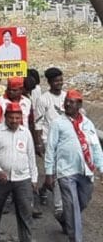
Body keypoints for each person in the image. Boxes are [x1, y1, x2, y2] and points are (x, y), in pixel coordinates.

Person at [44, 89, 103, 241]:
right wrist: (49, 173)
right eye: (66, 101)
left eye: (72, 102)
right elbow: (50, 149)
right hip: (65, 171)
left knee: (83, 201)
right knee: (73, 206)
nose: (68, 104)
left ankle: (64, 218)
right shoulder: (58, 123)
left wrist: (101, 168)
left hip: (85, 170)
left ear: (79, 104)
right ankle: (75, 238)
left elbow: (95, 147)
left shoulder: (87, 123)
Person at [0, 102, 37, 242]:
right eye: (11, 118)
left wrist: (34, 178)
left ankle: (26, 238)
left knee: (25, 210)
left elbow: (31, 156)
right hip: (1, 178)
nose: (14, 121)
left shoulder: (26, 133)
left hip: (23, 177)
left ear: (21, 118)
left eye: (17, 118)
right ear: (5, 117)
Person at [33, 67, 66, 213]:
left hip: (65, 140)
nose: (59, 83)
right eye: (56, 81)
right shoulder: (43, 99)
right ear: (49, 82)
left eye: (60, 80)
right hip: (48, 140)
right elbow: (38, 123)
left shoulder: (67, 96)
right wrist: (39, 143)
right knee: (53, 172)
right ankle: (60, 207)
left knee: (59, 171)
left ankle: (44, 189)